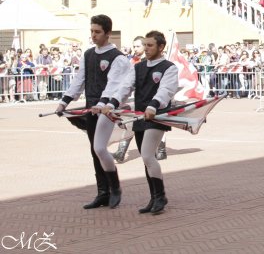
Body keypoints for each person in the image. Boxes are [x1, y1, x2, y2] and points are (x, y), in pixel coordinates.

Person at [55, 15, 130, 209]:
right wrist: (64, 102)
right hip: (91, 109)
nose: (93, 35)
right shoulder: (88, 54)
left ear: (108, 33)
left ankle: (115, 188)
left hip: (108, 109)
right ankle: (102, 192)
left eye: (97, 32)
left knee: (99, 148)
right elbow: (79, 81)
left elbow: (113, 84)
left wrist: (102, 102)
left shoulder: (118, 58)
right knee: (94, 150)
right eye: (92, 31)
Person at [104, 31, 178, 214]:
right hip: (139, 116)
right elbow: (125, 87)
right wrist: (112, 103)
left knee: (146, 155)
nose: (146, 48)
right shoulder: (138, 67)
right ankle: (154, 197)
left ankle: (160, 196)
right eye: (145, 45)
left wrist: (153, 106)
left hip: (157, 116)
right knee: (147, 160)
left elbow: (166, 90)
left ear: (161, 47)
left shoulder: (169, 67)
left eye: (150, 45)